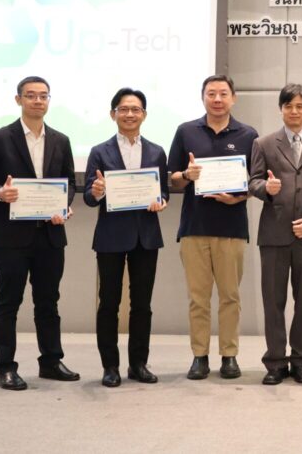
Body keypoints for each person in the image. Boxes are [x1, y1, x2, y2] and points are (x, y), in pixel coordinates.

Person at [0, 75, 78, 390]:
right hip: (10, 237)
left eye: (43, 96)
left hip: (50, 236)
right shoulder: (0, 138)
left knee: (48, 302)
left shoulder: (61, 140)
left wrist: (64, 206)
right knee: (7, 302)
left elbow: (69, 183)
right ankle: (4, 367)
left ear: (49, 100)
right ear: (18, 100)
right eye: (31, 95)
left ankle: (51, 362)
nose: (37, 101)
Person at [167, 75, 257, 380]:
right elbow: (171, 178)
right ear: (203, 97)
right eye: (211, 94)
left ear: (233, 97)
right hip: (194, 227)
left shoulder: (248, 135)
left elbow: (255, 182)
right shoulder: (186, 131)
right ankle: (199, 356)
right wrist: (186, 175)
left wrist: (238, 197)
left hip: (232, 228)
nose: (217, 99)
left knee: (231, 297)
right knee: (198, 298)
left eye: (223, 93)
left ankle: (229, 355)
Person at [83, 87, 169, 387]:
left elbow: (163, 192)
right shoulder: (99, 151)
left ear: (144, 115)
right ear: (113, 114)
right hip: (110, 237)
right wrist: (96, 192)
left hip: (146, 237)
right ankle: (110, 366)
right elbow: (89, 197)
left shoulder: (157, 151)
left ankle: (138, 364)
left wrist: (161, 201)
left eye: (135, 109)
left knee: (142, 304)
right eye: (124, 109)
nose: (130, 114)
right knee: (108, 303)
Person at [249, 84, 302, 385]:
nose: (294, 111)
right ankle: (275, 361)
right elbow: (253, 181)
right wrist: (265, 189)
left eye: (299, 106)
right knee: (273, 301)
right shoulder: (264, 143)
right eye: (288, 106)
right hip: (273, 234)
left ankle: (301, 360)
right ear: (280, 109)